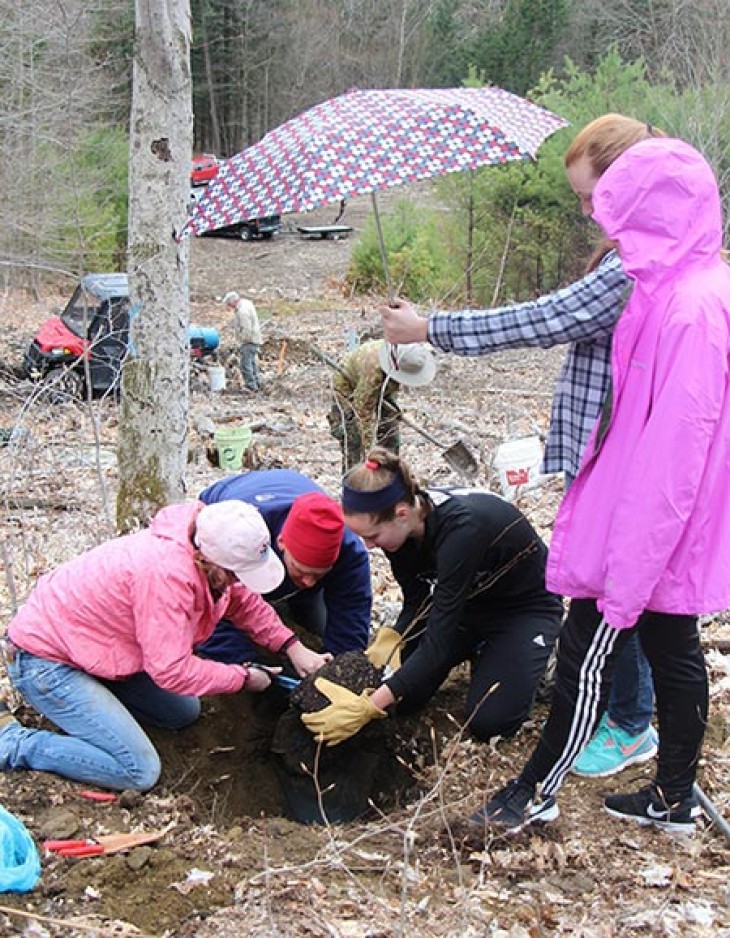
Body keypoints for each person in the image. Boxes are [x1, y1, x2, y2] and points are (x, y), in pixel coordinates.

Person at [377, 114, 665, 780]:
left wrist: (431, 327)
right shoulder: (630, 251)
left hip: (627, 454)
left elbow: (546, 318)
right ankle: (619, 707)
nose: (590, 212)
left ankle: (630, 722)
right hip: (607, 451)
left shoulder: (635, 263)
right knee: (607, 586)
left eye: (594, 196)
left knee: (621, 591)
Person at [471, 134, 730, 836]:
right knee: (675, 647)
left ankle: (534, 792)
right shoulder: (676, 285)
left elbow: (674, 458)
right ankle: (674, 796)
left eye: (611, 206)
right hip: (658, 515)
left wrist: (629, 566)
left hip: (650, 521)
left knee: (587, 649)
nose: (599, 221)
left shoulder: (690, 310)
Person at [0, 500, 329, 791]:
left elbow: (242, 602)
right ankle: (14, 743)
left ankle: (99, 703)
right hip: (45, 661)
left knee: (182, 712)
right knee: (139, 771)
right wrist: (242, 678)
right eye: (235, 575)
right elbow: (171, 670)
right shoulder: (165, 577)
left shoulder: (210, 554)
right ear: (210, 562)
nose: (238, 583)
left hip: (94, 647)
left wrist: (291, 645)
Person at [301, 447, 564, 747]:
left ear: (401, 514)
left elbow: (437, 642)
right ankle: (481, 652)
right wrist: (394, 638)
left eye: (372, 537)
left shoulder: (462, 530)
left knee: (490, 723)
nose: (369, 546)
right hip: (462, 606)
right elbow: (417, 599)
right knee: (403, 698)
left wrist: (371, 704)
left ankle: (525, 656)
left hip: (521, 610)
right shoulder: (401, 534)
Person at [196, 470, 371, 662]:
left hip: (286, 502)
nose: (309, 582)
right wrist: (245, 665)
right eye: (303, 571)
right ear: (281, 543)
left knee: (317, 630)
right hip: (231, 504)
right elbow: (208, 610)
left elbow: (350, 621)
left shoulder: (349, 553)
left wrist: (340, 668)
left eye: (318, 575)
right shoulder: (242, 537)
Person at [327, 338, 436, 474]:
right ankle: (355, 481)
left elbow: (391, 385)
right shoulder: (374, 373)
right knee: (355, 440)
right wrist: (369, 450)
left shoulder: (408, 354)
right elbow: (362, 413)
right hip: (348, 387)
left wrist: (392, 410)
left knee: (390, 432)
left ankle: (390, 477)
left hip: (380, 382)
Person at [223, 290, 262, 391]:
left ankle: (251, 386)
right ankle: (257, 383)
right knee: (252, 363)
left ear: (233, 302)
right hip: (254, 338)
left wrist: (243, 341)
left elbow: (246, 329)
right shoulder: (246, 303)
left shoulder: (242, 311)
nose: (229, 306)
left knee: (245, 364)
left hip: (248, 341)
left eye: (229, 304)